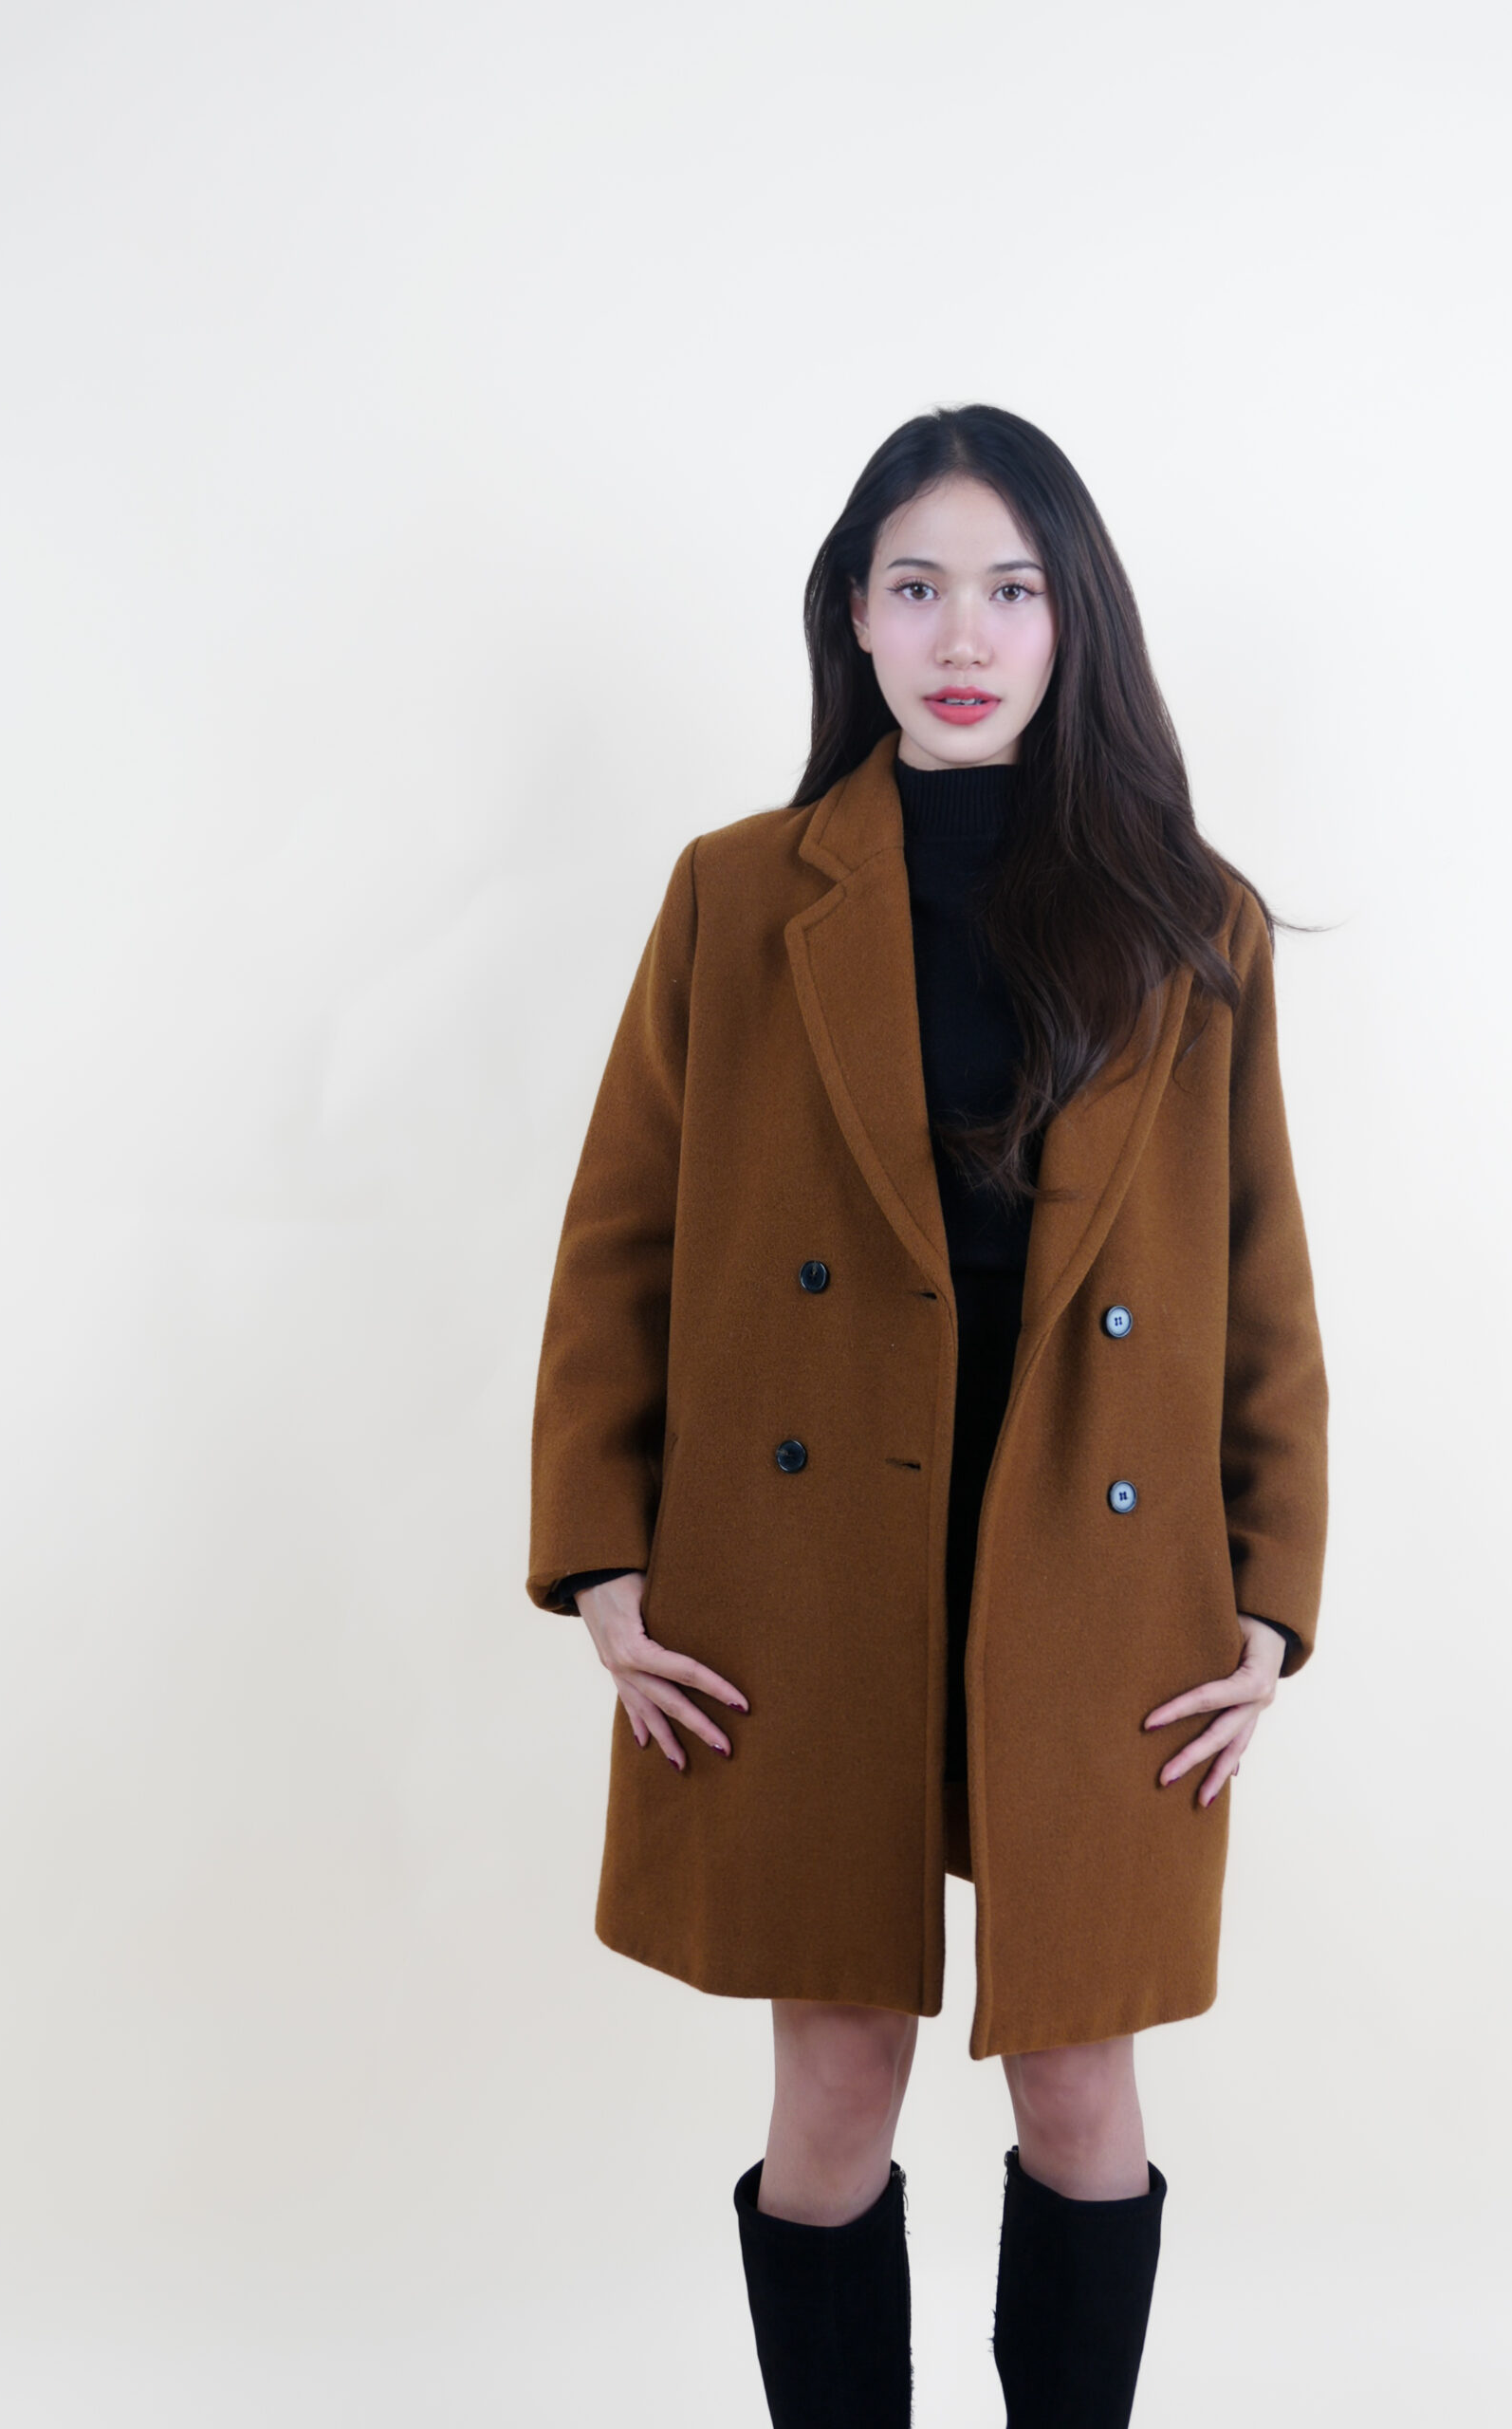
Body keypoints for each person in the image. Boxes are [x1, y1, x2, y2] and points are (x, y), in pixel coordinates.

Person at [526, 402, 1330, 2426]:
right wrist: (604, 1562)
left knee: (1081, 2078)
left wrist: (1269, 1600)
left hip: (1101, 1569)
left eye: (1010, 587)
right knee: (834, 2075)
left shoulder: (1189, 915)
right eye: (917, 585)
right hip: (807, 1569)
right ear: (856, 619)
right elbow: (620, 1240)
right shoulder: (736, 895)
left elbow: (1259, 1274)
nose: (962, 632)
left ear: (1073, 623)